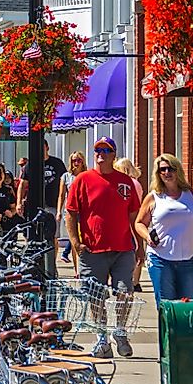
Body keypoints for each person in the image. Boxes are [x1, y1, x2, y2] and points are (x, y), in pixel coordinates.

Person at [65, 137, 142, 359]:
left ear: (113, 155)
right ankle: (102, 338)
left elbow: (134, 217)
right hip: (92, 250)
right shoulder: (82, 180)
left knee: (124, 292)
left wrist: (140, 246)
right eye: (97, 149)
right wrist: (75, 242)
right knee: (96, 296)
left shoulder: (125, 182)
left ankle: (120, 332)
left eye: (106, 150)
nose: (101, 153)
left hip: (122, 248)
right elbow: (71, 213)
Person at [135, 154, 193, 309]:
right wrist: (148, 236)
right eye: (162, 170)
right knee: (167, 307)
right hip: (160, 259)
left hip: (188, 259)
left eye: (171, 169)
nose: (167, 172)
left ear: (178, 170)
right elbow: (139, 223)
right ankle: (165, 327)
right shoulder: (154, 197)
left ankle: (182, 328)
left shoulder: (191, 195)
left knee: (187, 307)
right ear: (158, 173)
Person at [114, 157, 147, 293]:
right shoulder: (137, 183)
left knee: (127, 251)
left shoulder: (125, 184)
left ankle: (127, 279)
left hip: (125, 221)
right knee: (137, 250)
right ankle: (136, 281)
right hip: (137, 218)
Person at [57, 152, 87, 262]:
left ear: (83, 162)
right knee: (74, 240)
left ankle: (83, 263)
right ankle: (76, 269)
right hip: (70, 212)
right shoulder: (66, 176)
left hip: (84, 211)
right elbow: (61, 195)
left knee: (83, 239)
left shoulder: (87, 175)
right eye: (74, 160)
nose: (76, 163)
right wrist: (59, 211)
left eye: (79, 160)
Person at [0, 163, 23, 234]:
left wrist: (11, 213)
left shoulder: (8, 190)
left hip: (8, 224)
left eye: (2, 173)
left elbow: (13, 207)